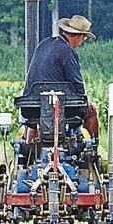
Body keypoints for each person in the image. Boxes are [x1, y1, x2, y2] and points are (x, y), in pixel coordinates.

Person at [19, 13, 99, 152]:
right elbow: (76, 83)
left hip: (30, 107)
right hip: (62, 110)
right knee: (91, 111)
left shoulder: (43, 44)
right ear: (79, 37)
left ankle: (30, 152)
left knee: (36, 118)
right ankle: (92, 150)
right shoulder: (68, 52)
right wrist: (85, 101)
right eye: (84, 38)